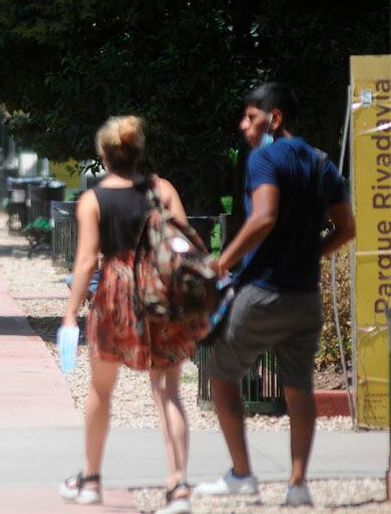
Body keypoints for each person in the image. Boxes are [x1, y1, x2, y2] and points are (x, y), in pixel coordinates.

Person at [196, 83, 355, 506]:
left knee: (220, 373)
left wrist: (223, 261)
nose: (243, 125)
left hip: (263, 292)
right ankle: (298, 484)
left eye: (251, 117)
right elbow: (348, 228)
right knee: (299, 388)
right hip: (305, 297)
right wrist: (310, 254)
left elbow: (263, 217)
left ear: (275, 118)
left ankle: (242, 474)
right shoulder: (321, 162)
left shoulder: (264, 157)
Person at [59, 116, 207, 514]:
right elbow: (182, 244)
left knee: (101, 390)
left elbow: (88, 259)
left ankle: (91, 479)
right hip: (160, 293)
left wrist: (71, 312)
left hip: (115, 293)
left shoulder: (93, 200)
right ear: (140, 152)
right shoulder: (163, 190)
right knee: (168, 392)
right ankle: (178, 487)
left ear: (103, 155)